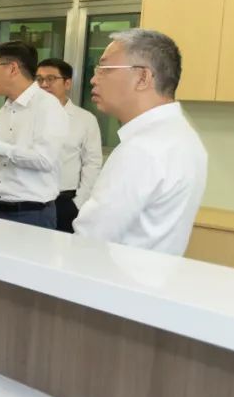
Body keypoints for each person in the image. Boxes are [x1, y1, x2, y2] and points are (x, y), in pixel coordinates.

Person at [74, 29, 207, 255]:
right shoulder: (183, 134)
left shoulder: (142, 148)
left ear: (143, 77)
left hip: (113, 274)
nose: (93, 79)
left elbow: (90, 240)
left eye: (104, 69)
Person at [0, 41, 68, 229]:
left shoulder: (47, 106)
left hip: (32, 213)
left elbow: (45, 160)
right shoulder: (5, 109)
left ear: (13, 68)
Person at [36, 58, 102, 233]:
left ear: (67, 83)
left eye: (50, 79)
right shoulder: (28, 116)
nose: (43, 85)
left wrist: (78, 203)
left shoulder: (85, 119)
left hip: (64, 202)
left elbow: (92, 163)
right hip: (30, 200)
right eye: (39, 79)